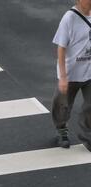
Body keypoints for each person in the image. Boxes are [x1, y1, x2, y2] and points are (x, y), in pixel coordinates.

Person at [52, 0, 91, 150]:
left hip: (89, 72)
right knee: (62, 105)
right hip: (70, 73)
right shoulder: (69, 18)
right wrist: (63, 77)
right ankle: (61, 130)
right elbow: (61, 49)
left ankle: (87, 135)